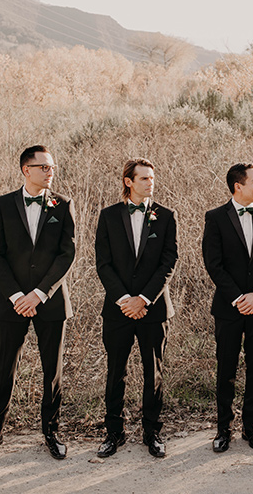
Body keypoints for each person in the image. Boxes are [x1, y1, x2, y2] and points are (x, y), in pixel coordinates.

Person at [0, 145, 75, 461]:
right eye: (43, 167)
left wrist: (40, 293)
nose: (49, 172)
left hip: (50, 300)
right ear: (25, 170)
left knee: (52, 371)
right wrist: (17, 295)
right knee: (5, 367)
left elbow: (66, 253)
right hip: (11, 302)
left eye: (52, 167)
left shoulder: (63, 204)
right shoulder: (2, 205)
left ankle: (52, 433)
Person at [94, 158, 178, 458]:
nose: (150, 182)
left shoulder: (166, 216)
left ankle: (152, 432)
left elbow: (169, 262)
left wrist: (143, 299)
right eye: (143, 178)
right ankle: (113, 433)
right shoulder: (108, 216)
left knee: (153, 371)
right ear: (128, 181)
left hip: (153, 309)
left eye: (152, 178)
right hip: (118, 309)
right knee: (116, 371)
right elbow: (103, 263)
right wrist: (124, 300)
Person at [202, 163, 253, 452]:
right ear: (238, 186)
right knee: (226, 369)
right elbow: (213, 263)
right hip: (229, 307)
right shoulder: (215, 218)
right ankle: (223, 428)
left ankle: (252, 427)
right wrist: (239, 297)